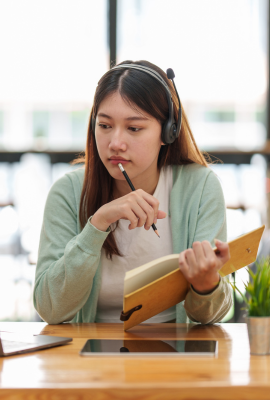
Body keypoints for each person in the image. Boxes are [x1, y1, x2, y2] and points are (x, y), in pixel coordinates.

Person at [33, 60, 232, 325]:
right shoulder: (67, 193)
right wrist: (97, 224)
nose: (115, 143)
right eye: (104, 126)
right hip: (89, 357)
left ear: (168, 132)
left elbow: (210, 316)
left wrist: (206, 285)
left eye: (134, 128)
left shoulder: (200, 187)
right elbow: (50, 308)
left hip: (175, 356)